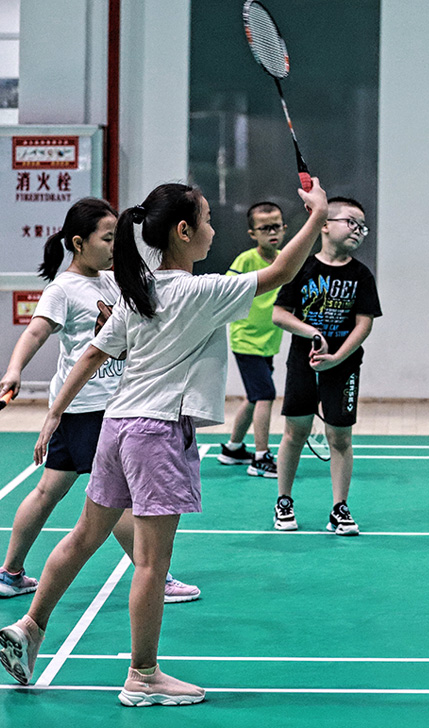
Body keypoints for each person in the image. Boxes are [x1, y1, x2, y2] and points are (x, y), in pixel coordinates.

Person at [0, 179, 328, 705]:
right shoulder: (200, 292)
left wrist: (55, 412)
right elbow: (282, 272)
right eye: (207, 220)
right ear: (183, 231)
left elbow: (92, 354)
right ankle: (143, 676)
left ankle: (28, 628)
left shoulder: (140, 289)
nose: (213, 229)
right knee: (151, 563)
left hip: (117, 424)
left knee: (84, 536)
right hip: (157, 433)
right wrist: (317, 215)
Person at [0, 198, 199, 604]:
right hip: (89, 408)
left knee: (48, 490)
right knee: (117, 501)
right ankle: (154, 577)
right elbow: (36, 331)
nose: (114, 246)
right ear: (78, 243)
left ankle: (10, 573)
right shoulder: (63, 288)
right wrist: (14, 369)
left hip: (95, 408)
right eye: (107, 239)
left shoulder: (112, 280)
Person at [271, 196, 381, 535]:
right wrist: (313, 333)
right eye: (351, 222)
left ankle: (339, 508)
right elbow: (280, 315)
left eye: (362, 226)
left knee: (340, 437)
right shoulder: (301, 268)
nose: (358, 230)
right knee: (295, 433)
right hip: (303, 362)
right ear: (324, 225)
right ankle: (284, 501)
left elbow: (364, 324)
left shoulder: (361, 275)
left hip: (343, 365)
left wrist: (337, 357)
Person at [218, 201, 288, 478]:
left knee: (254, 396)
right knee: (266, 395)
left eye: (276, 226)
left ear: (284, 228)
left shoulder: (285, 259)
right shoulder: (245, 261)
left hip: (269, 340)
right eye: (265, 228)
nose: (272, 232)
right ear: (253, 233)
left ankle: (233, 448)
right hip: (246, 339)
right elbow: (226, 290)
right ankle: (261, 457)